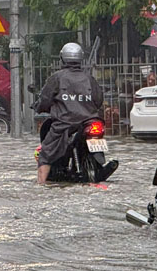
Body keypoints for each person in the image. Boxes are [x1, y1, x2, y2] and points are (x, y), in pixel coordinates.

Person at [35, 42, 118, 184]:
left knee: (45, 155)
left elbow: (45, 100)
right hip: (90, 121)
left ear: (62, 58)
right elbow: (98, 100)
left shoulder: (57, 78)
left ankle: (40, 185)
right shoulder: (89, 78)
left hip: (64, 124)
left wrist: (39, 106)